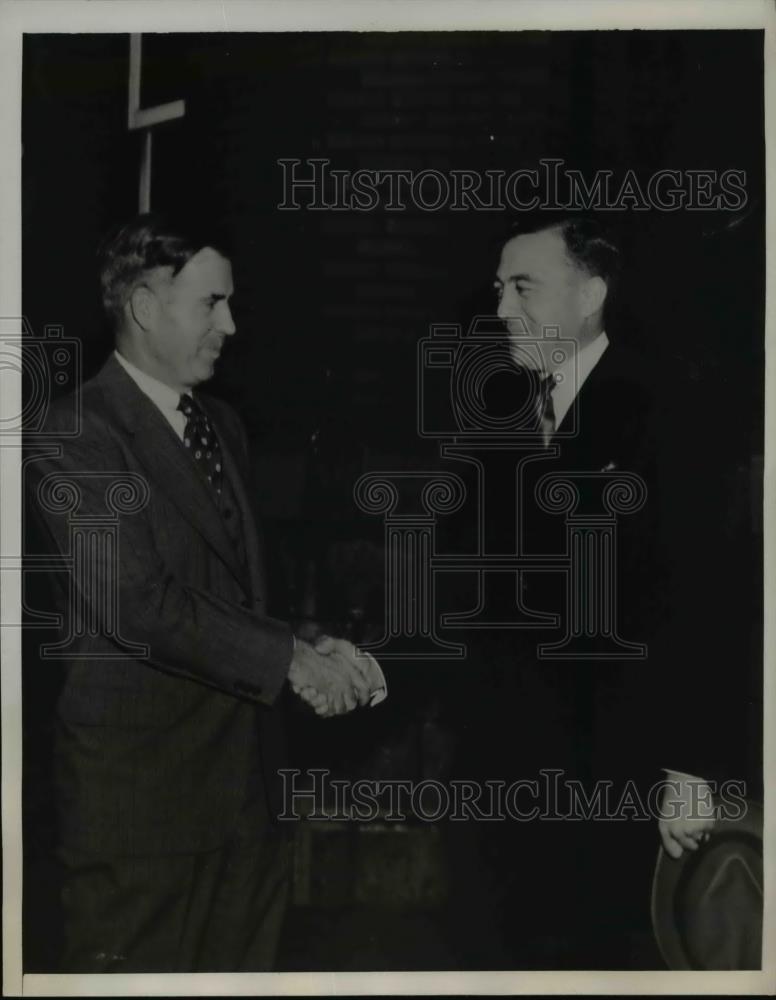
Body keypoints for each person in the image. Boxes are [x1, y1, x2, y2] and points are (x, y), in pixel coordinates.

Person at [27, 213, 374, 973]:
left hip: (246, 802)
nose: (231, 325)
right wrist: (289, 660)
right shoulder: (75, 432)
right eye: (211, 304)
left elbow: (225, 595)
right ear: (145, 307)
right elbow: (139, 605)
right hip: (141, 812)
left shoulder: (222, 425)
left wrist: (306, 642)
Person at [446, 216, 720, 968]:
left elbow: (701, 593)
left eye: (523, 287)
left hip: (617, 778)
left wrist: (690, 769)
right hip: (501, 779)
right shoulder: (495, 415)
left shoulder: (668, 408)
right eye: (498, 289)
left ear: (591, 294)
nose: (502, 309)